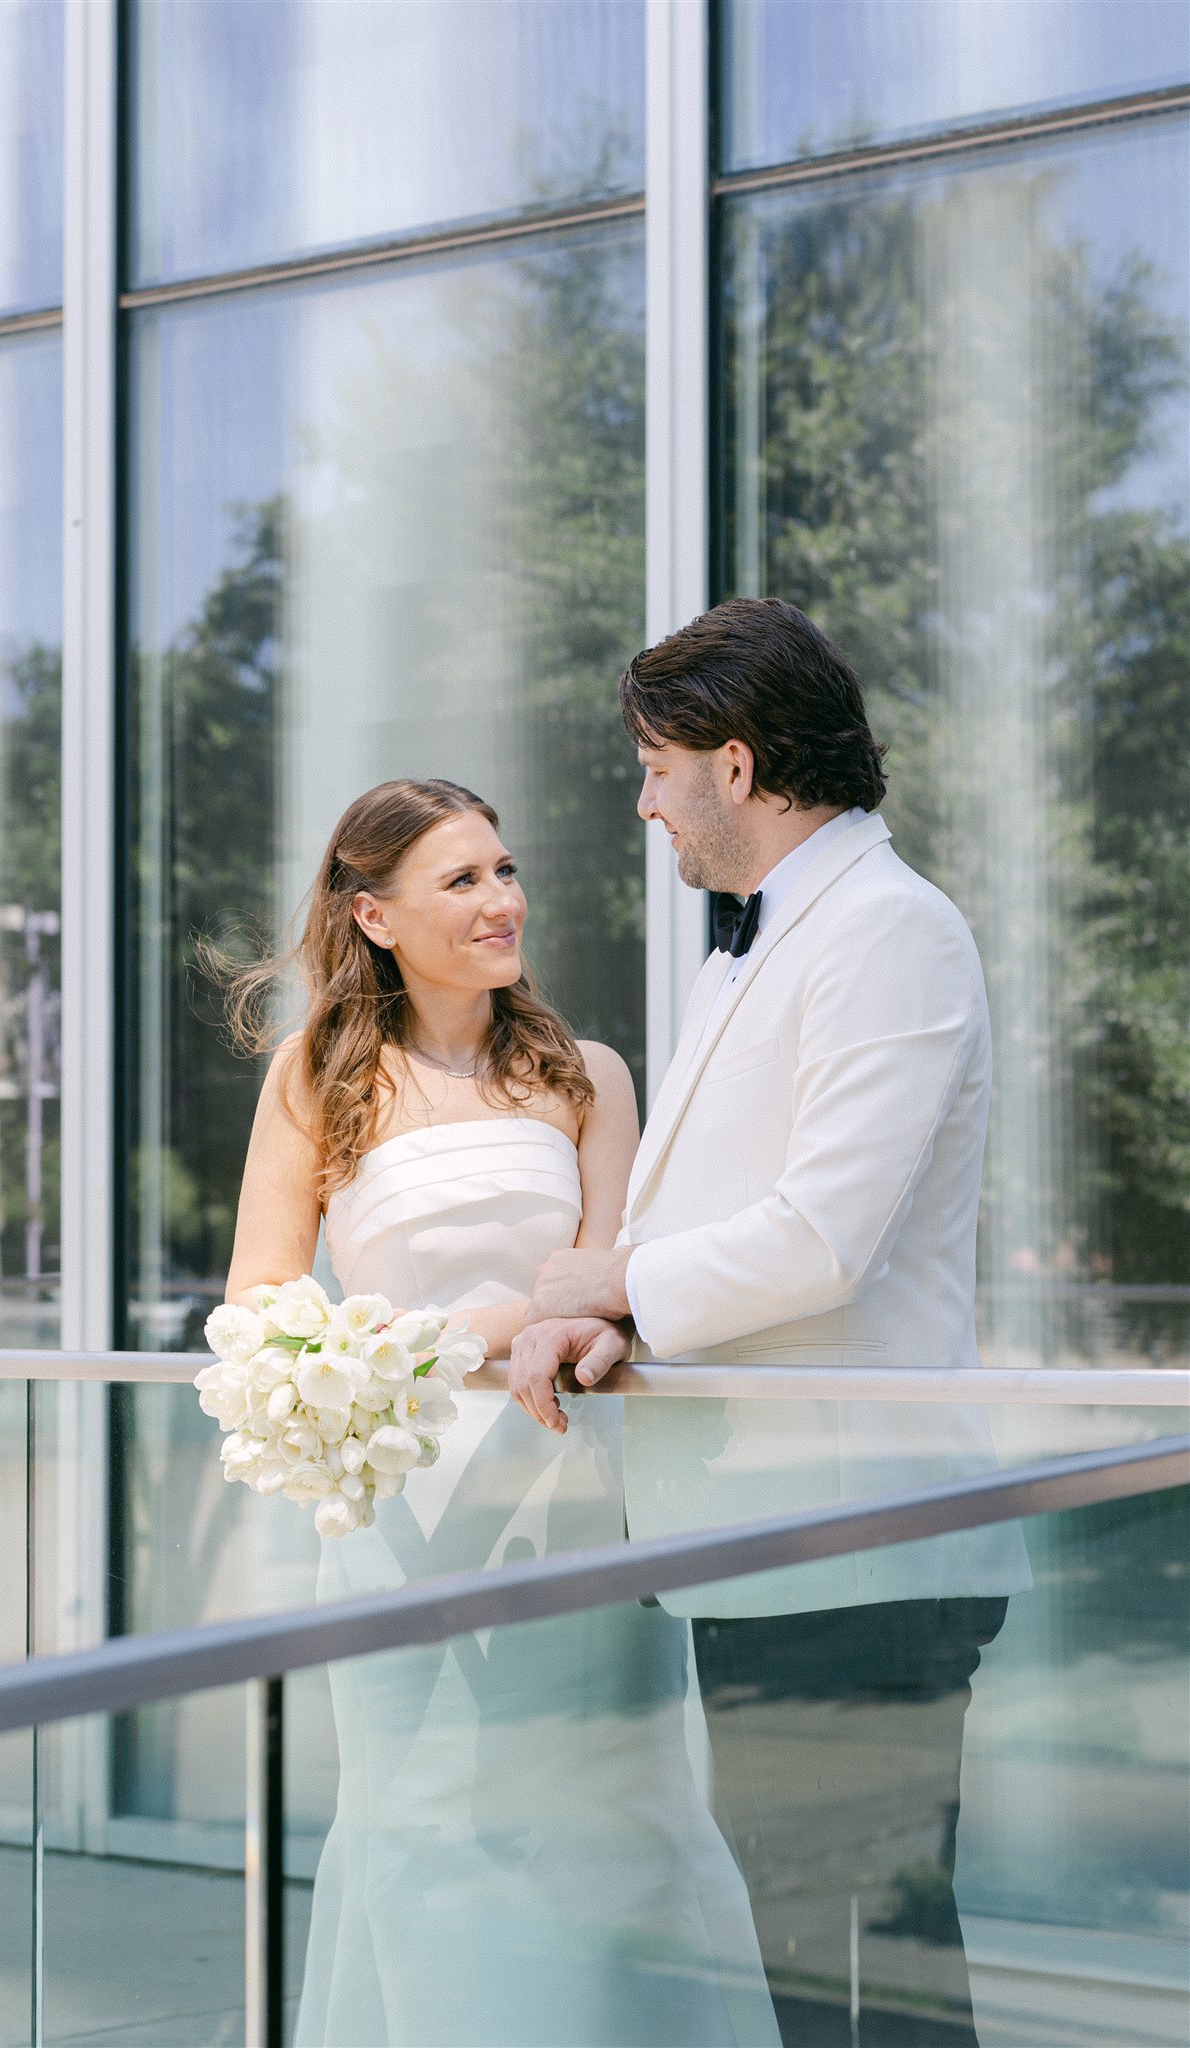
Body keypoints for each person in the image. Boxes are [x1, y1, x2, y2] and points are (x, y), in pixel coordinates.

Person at [510, 599, 1031, 2047]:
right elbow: (730, 1224)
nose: (642, 800)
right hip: (772, 1546)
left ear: (734, 767)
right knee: (823, 1964)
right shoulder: (763, 940)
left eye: (654, 767)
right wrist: (637, 1323)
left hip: (857, 1547)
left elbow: (824, 1235)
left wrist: (601, 1282)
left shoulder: (891, 930)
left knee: (870, 1978)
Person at [224, 777, 779, 2048]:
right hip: (396, 1510)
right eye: (462, 879)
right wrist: (462, 1333)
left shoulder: (588, 1076)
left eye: (505, 869)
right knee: (416, 1824)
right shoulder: (316, 1080)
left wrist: (506, 1322)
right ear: (374, 914)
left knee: (613, 1821)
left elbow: (606, 1288)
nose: (502, 900)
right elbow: (258, 1305)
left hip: (575, 1492)